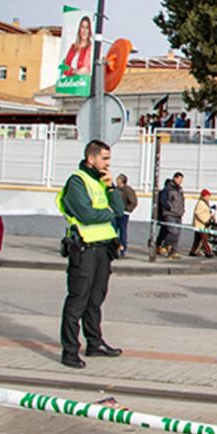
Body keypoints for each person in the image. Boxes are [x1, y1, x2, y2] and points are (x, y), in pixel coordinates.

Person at [56, 140, 126, 369]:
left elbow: (119, 209)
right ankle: (69, 351)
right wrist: (107, 212)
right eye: (104, 159)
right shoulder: (77, 181)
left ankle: (95, 343)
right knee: (77, 301)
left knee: (96, 300)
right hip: (84, 249)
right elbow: (86, 215)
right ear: (91, 158)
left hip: (103, 249)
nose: (108, 164)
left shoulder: (100, 182)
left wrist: (111, 187)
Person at [155, 172, 185, 259]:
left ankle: (173, 251)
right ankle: (165, 245)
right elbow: (163, 200)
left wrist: (182, 210)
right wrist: (169, 208)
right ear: (175, 178)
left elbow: (182, 201)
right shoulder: (168, 189)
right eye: (179, 179)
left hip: (178, 214)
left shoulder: (180, 190)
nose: (181, 181)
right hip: (169, 214)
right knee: (173, 231)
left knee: (178, 233)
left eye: (182, 180)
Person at [115, 174, 137, 257]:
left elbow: (133, 202)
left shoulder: (128, 190)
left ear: (121, 180)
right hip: (115, 213)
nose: (116, 181)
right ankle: (114, 247)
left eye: (118, 179)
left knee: (122, 231)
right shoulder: (116, 189)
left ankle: (123, 248)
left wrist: (126, 210)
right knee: (113, 230)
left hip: (123, 214)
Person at [190, 188, 214, 257]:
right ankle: (208, 252)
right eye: (208, 196)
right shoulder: (201, 203)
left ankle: (193, 251)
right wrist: (205, 221)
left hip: (201, 225)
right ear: (205, 196)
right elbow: (198, 213)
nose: (209, 197)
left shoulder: (204, 203)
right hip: (201, 225)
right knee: (204, 239)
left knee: (197, 239)